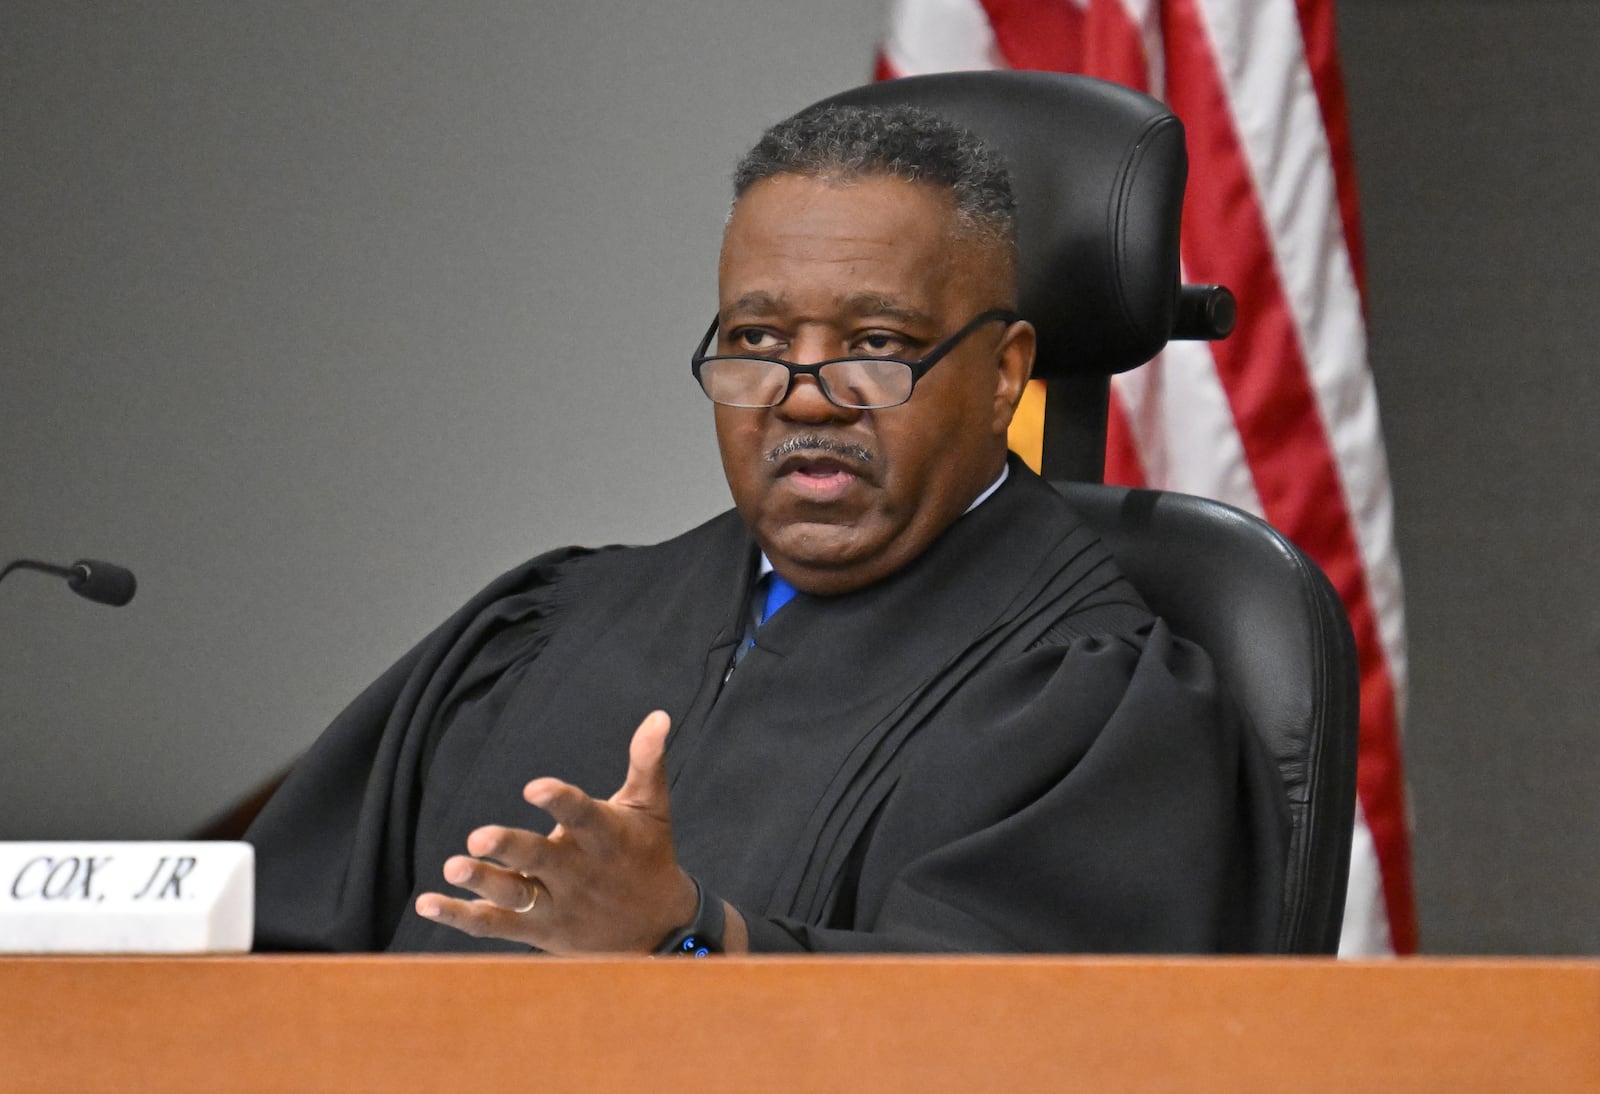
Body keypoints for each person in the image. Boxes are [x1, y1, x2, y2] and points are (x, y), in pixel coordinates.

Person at [246, 103, 1288, 955]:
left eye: (876, 342)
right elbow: (263, 944)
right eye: (756, 339)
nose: (802, 397)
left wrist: (690, 940)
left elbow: (1024, 1039)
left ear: (1003, 371)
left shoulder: (1093, 701)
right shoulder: (548, 628)